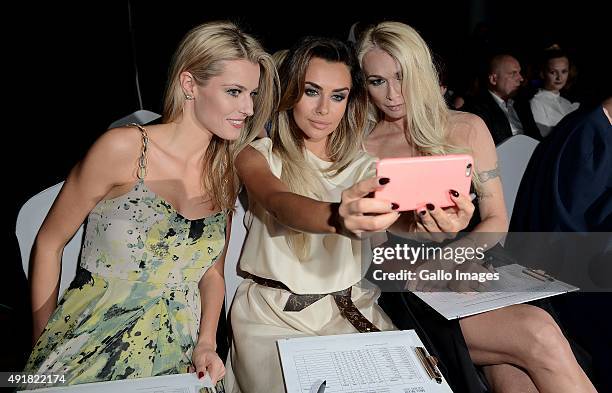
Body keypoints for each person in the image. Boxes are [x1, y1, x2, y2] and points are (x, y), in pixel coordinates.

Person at [23, 21, 279, 391]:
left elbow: (211, 273)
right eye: (234, 92)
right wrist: (42, 352)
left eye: (252, 93)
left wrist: (206, 342)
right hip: (88, 342)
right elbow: (48, 243)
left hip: (180, 355)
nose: (249, 107)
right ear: (190, 84)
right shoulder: (122, 148)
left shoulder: (225, 169)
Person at [358, 21, 597, 393]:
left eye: (402, 77)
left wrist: (453, 258)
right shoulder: (363, 145)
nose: (392, 94)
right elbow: (370, 248)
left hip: (477, 260)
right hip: (409, 283)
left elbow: (496, 219)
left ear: (423, 72)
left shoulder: (466, 127)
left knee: (516, 379)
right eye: (377, 81)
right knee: (539, 334)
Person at [225, 37, 474, 393]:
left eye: (338, 96)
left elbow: (393, 217)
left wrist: (433, 223)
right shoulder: (258, 156)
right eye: (312, 91)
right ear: (291, 93)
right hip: (273, 319)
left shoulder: (363, 166)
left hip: (353, 308)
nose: (324, 109)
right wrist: (339, 217)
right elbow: (280, 201)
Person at [463, 53, 541, 145]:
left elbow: (536, 137)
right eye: (513, 73)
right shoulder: (477, 108)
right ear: (493, 79)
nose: (521, 78)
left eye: (519, 72)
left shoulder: (521, 104)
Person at [530, 48, 580, 138]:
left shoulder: (567, 102)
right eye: (553, 72)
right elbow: (545, 137)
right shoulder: (537, 102)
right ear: (542, 73)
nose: (559, 77)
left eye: (564, 71)